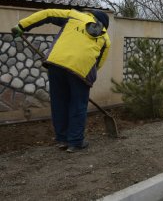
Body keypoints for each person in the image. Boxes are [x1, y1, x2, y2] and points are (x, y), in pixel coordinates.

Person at [11, 9, 111, 153]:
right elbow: (98, 64)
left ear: (91, 15)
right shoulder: (105, 38)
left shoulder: (74, 15)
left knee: (59, 102)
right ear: (103, 24)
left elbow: (46, 14)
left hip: (57, 64)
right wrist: (85, 74)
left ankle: (63, 139)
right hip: (81, 71)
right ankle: (75, 142)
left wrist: (22, 26)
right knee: (78, 105)